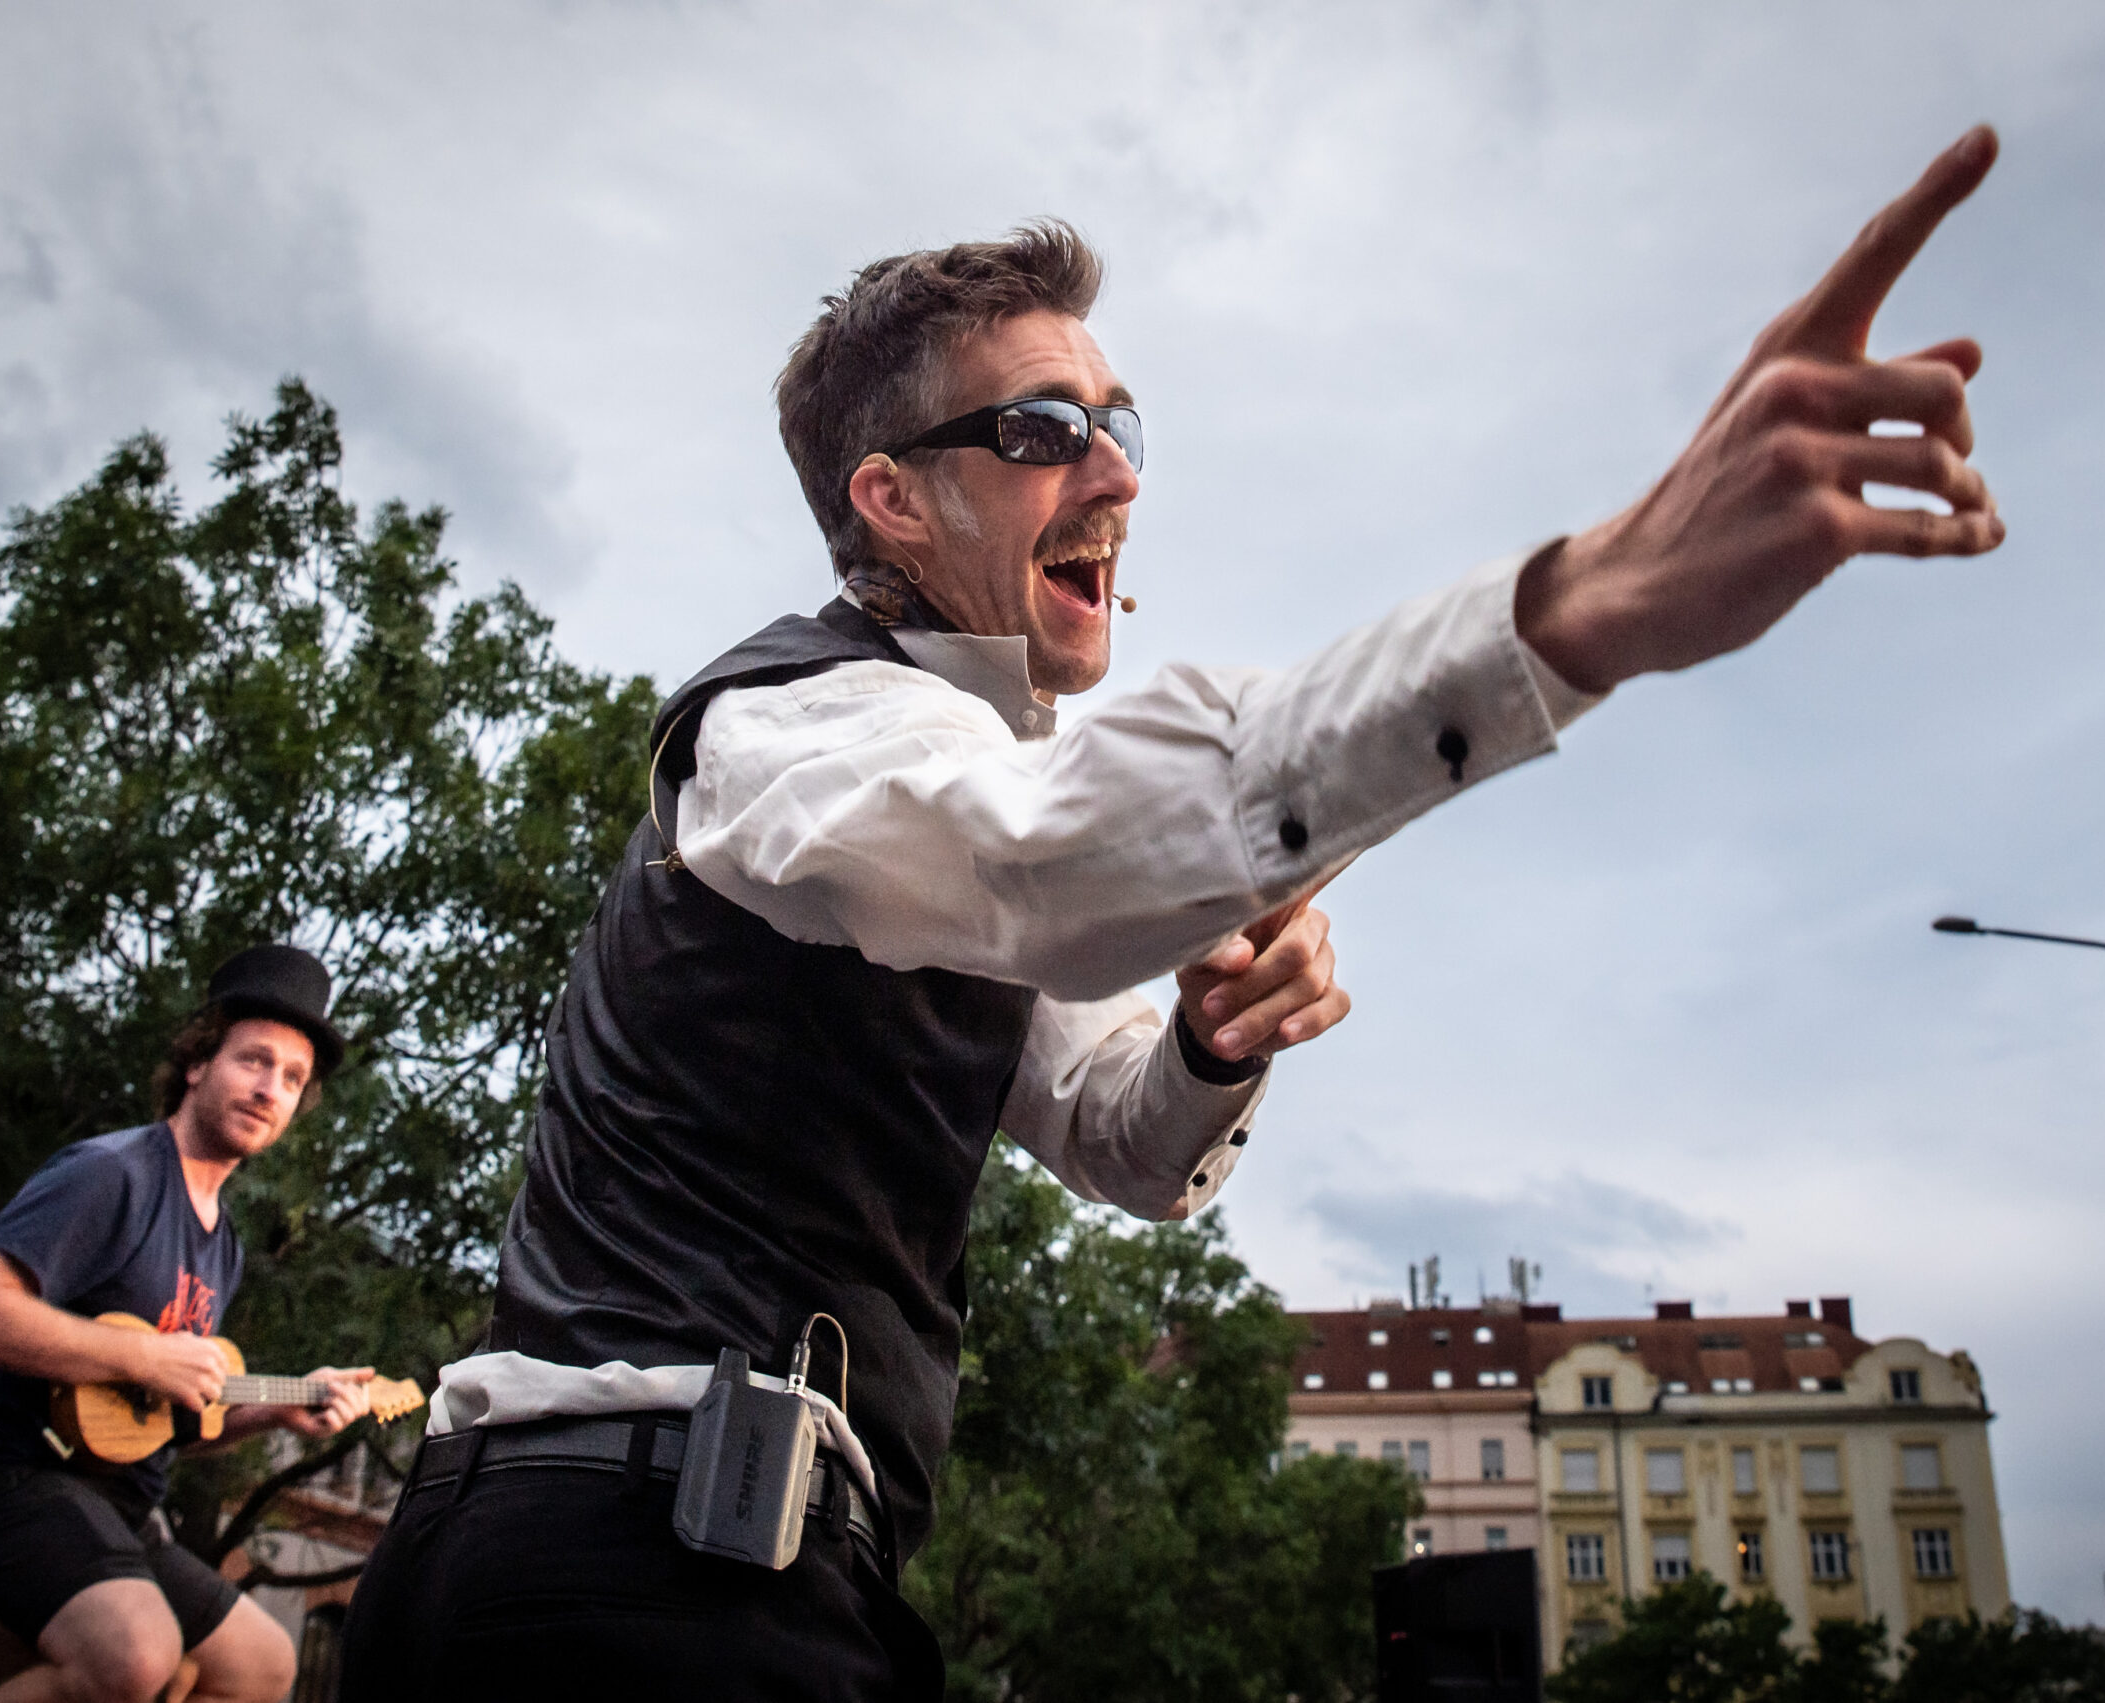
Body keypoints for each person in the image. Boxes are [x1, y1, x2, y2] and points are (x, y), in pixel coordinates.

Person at [340, 129, 2007, 1701]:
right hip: (618, 1567)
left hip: (757, 1570)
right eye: (1041, 431)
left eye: (1121, 423)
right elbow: (1043, 862)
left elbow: (1121, 1139)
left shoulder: (960, 784)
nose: (1114, 474)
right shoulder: (791, 730)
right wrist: (1586, 602)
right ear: (891, 499)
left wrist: (1213, 1040)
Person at [0, 944, 380, 1703]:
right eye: (254, 1060)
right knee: (137, 1654)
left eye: (292, 1078)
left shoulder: (223, 1245)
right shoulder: (112, 1173)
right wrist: (142, 1356)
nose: (269, 1089)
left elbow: (157, 1421)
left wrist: (276, 1409)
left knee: (261, 1665)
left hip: (114, 1505)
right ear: (198, 1062)